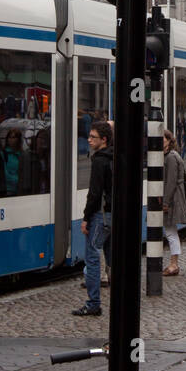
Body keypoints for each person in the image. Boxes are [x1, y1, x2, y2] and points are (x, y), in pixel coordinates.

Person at [73, 121, 113, 316]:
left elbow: (94, 193)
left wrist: (86, 218)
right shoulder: (114, 157)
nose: (88, 140)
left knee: (92, 258)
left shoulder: (99, 160)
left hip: (101, 215)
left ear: (103, 140)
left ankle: (93, 303)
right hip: (114, 215)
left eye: (93, 137)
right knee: (112, 257)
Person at [161, 128, 186, 276]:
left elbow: (170, 182)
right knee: (170, 231)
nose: (160, 142)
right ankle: (173, 263)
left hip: (172, 200)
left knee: (170, 231)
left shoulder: (170, 157)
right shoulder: (171, 155)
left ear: (169, 141)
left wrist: (165, 202)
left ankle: (174, 264)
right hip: (172, 198)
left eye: (163, 139)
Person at [2, 127, 24, 195]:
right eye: (10, 137)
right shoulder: (3, 154)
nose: (11, 140)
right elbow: (4, 173)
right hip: (7, 190)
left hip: (20, 190)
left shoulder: (22, 155)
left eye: (14, 137)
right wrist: (17, 181)